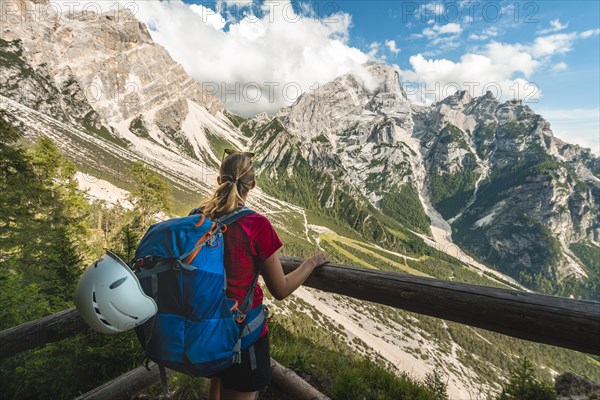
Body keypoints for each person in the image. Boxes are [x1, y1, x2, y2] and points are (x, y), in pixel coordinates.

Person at [194, 150, 328, 400]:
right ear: (253, 184)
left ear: (218, 179)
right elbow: (280, 289)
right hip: (242, 336)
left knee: (216, 386)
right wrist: (310, 263)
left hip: (206, 327)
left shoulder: (198, 217)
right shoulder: (257, 225)